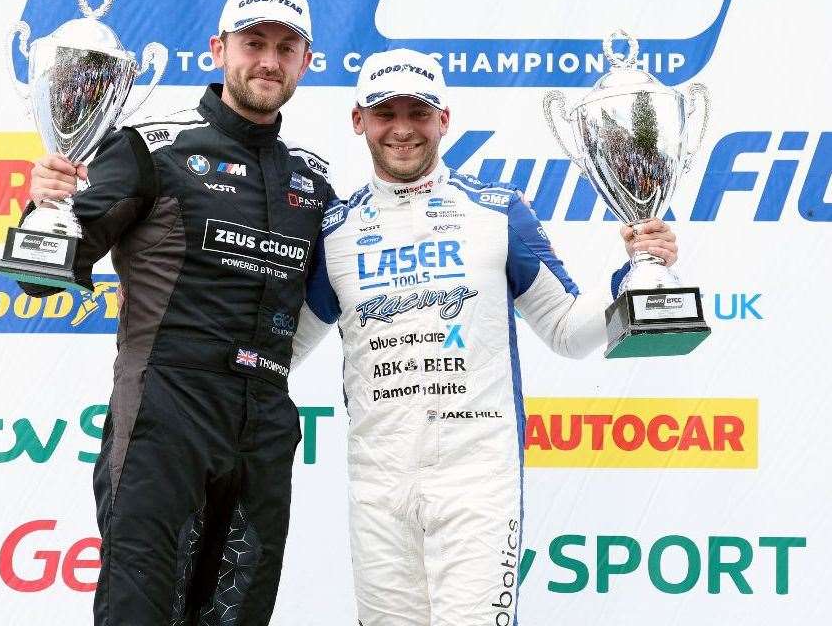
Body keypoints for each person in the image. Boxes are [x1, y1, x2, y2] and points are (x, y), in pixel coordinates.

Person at [290, 49, 678, 625]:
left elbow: (569, 332)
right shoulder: (334, 232)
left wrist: (635, 274)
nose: (402, 128)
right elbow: (283, 350)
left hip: (477, 478)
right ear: (358, 121)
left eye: (418, 112)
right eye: (384, 112)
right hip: (377, 481)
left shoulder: (497, 213)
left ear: (444, 119)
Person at [20, 0, 335, 626]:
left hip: (264, 431)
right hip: (165, 419)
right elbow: (39, 278)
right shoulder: (149, 149)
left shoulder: (314, 181)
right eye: (253, 44)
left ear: (306, 62)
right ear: (219, 50)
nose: (268, 61)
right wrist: (44, 207)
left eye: (285, 47)